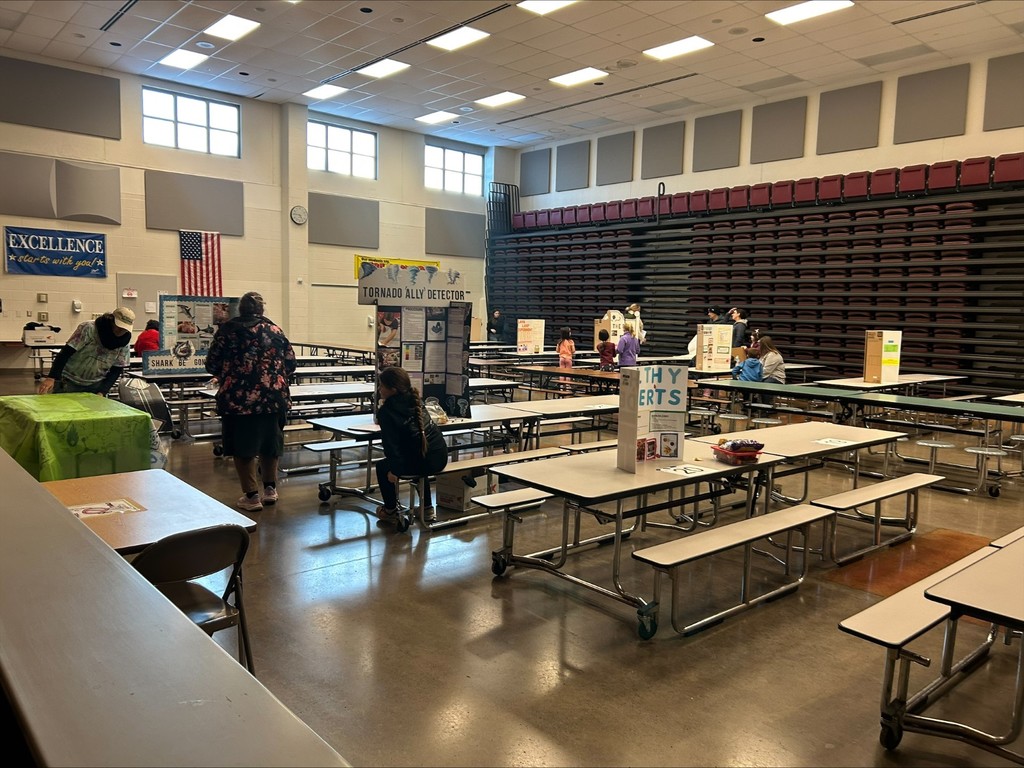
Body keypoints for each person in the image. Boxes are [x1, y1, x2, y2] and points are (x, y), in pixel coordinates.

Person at [205, 291, 296, 512]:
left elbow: (212, 364)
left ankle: (252, 496)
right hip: (274, 398)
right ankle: (270, 490)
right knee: (270, 444)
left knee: (242, 446)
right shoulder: (275, 330)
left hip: (239, 399)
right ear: (262, 310)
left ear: (240, 309)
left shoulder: (228, 331)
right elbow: (291, 364)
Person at [375, 366, 448, 526]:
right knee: (419, 457)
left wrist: (395, 471)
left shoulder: (386, 412)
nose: (379, 389)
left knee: (382, 467)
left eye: (382, 386)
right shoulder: (416, 400)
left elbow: (391, 447)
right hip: (440, 457)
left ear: (393, 390)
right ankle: (427, 508)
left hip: (423, 462)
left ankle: (390, 511)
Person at [37, 306, 135, 395]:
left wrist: (103, 391)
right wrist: (51, 378)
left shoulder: (125, 342)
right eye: (119, 327)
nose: (121, 331)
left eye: (124, 329)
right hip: (68, 381)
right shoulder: (88, 328)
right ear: (111, 320)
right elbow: (65, 353)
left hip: (95, 385)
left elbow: (116, 369)